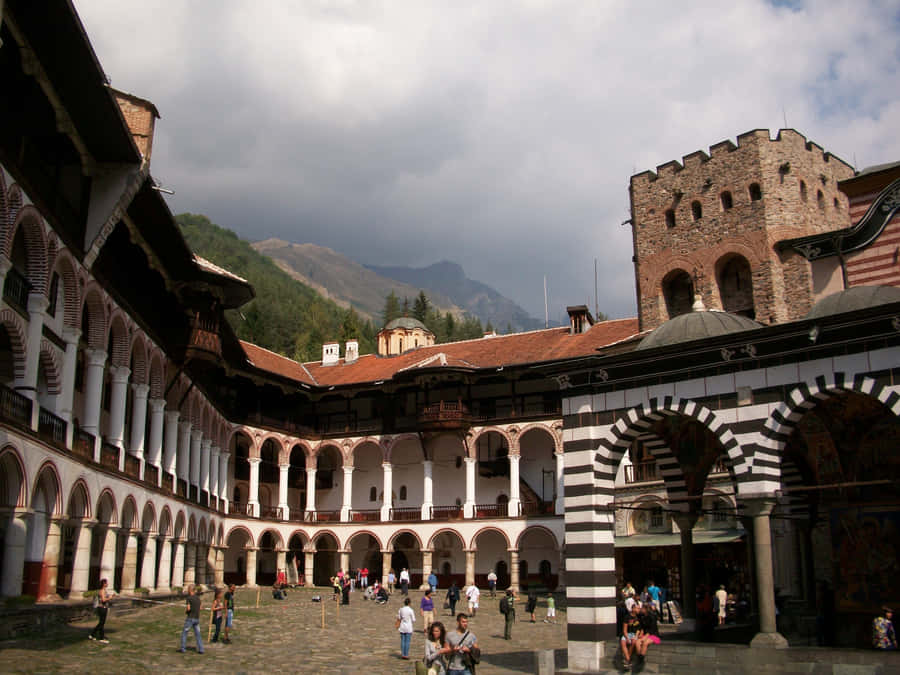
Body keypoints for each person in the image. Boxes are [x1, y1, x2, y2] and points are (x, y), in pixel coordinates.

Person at [180, 584, 204, 654]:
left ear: (190, 590)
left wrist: (187, 611)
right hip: (197, 618)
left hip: (190, 618)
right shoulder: (198, 598)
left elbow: (188, 608)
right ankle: (201, 649)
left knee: (184, 633)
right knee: (198, 634)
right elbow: (201, 607)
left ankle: (183, 648)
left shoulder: (189, 598)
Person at [619, 603, 643, 669]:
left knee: (633, 642)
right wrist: (626, 638)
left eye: (639, 608)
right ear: (633, 609)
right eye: (637, 608)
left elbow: (639, 629)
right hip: (627, 633)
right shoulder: (627, 617)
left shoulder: (639, 617)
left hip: (634, 634)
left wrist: (636, 636)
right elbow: (624, 630)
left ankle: (627, 660)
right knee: (623, 642)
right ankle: (628, 660)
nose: (639, 610)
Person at [88, 578, 112, 643]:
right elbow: (103, 600)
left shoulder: (104, 590)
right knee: (102, 623)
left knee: (101, 623)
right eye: (106, 583)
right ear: (103, 584)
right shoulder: (102, 591)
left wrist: (110, 596)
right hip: (102, 608)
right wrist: (109, 598)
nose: (107, 584)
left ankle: (92, 635)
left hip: (104, 607)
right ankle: (101, 638)